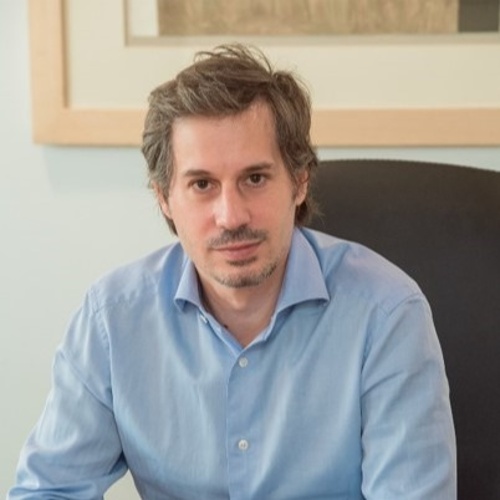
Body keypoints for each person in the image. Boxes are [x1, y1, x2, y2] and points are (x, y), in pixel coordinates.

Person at [9, 44, 456, 499]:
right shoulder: (113, 320)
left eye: (255, 179)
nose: (231, 216)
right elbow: (48, 490)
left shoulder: (387, 314)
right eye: (202, 184)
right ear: (164, 198)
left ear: (299, 181)